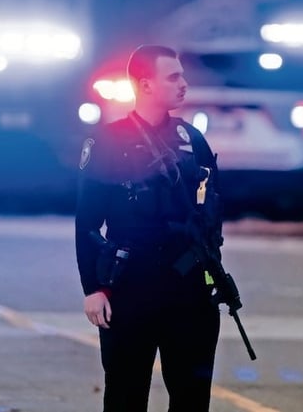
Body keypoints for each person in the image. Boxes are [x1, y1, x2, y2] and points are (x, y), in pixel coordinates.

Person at [75, 44, 223, 411]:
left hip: (188, 288)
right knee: (126, 394)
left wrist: (211, 275)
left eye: (183, 75)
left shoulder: (193, 140)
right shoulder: (107, 141)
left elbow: (212, 213)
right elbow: (88, 220)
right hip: (130, 288)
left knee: (191, 398)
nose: (183, 84)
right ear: (145, 85)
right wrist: (94, 288)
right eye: (172, 76)